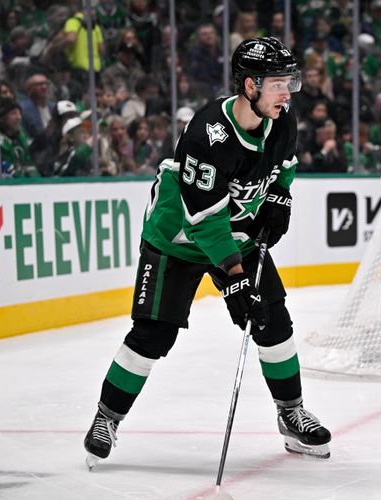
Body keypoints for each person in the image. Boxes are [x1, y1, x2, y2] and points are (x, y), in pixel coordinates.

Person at [83, 37, 332, 468]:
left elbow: (283, 168)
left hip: (238, 233)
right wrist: (235, 280)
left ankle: (290, 413)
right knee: (152, 336)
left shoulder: (282, 119)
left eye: (291, 81)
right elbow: (205, 222)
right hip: (178, 238)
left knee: (273, 321)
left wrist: (279, 199)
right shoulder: (207, 137)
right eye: (278, 83)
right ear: (250, 85)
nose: (288, 92)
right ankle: (107, 418)